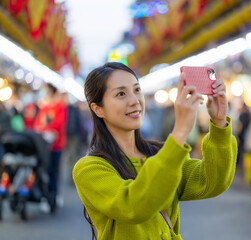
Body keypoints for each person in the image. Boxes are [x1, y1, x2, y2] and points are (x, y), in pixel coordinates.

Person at [73, 62, 237, 240]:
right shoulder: (89, 169)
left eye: (137, 90)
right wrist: (180, 131)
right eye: (121, 94)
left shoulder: (159, 153)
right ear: (98, 109)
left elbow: (212, 181)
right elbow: (133, 205)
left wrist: (219, 123)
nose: (135, 101)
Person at [33, 83, 67, 209]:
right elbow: (38, 122)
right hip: (43, 145)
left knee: (53, 171)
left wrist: (46, 128)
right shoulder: (44, 106)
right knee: (44, 171)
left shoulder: (59, 106)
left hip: (56, 145)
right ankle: (45, 196)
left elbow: (59, 122)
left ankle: (54, 195)